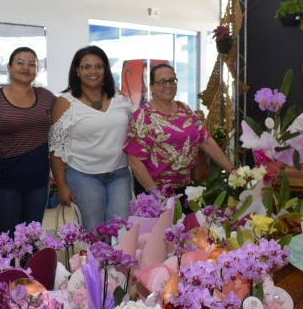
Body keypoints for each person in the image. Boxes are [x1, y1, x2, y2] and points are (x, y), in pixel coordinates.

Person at [49, 45, 133, 231]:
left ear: (105, 69)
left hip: (120, 174)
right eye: (86, 67)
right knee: (95, 232)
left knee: (121, 229)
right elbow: (57, 149)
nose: (93, 71)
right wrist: (61, 185)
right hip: (84, 175)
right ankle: (96, 262)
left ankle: (117, 262)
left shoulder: (119, 96)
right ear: (77, 71)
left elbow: (135, 132)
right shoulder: (64, 102)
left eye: (98, 66)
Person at [124, 64, 235, 196]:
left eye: (172, 80)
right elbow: (134, 161)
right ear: (152, 86)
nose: (168, 85)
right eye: (162, 82)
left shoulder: (184, 109)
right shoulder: (143, 116)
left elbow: (206, 141)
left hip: (184, 189)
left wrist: (232, 170)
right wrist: (157, 196)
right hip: (154, 191)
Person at [0, 47, 55, 237]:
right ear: (9, 67)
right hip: (4, 183)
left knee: (32, 240)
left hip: (39, 182)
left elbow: (67, 114)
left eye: (32, 64)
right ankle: (8, 269)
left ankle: (30, 269)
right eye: (20, 63)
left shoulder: (47, 97)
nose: (26, 68)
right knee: (7, 239)